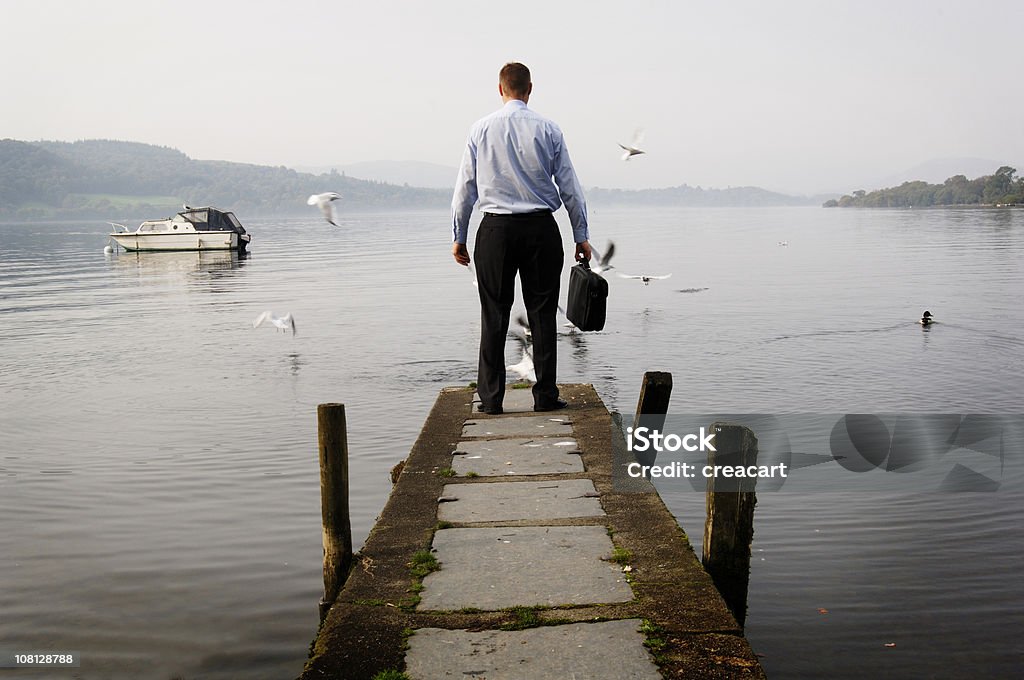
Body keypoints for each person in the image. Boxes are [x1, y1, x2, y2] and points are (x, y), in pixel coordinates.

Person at [451, 62, 591, 415]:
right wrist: (581, 234)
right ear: (530, 89)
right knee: (543, 314)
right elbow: (571, 187)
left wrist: (459, 236)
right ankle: (545, 396)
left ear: (501, 90)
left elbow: (465, 188)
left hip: (495, 231)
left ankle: (491, 400)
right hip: (541, 230)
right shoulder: (549, 129)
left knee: (493, 314)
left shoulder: (479, 130)